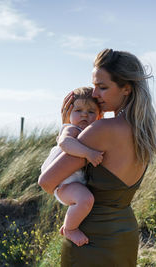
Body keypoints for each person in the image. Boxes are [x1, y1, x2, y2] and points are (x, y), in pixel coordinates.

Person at [38, 48, 156, 266]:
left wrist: (67, 126)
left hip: (90, 238)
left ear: (126, 89)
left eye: (102, 87)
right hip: (125, 234)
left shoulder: (101, 130)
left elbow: (47, 182)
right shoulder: (145, 132)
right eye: (94, 85)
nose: (94, 94)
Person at [40, 87, 104, 247]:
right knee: (85, 199)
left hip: (72, 182)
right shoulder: (71, 128)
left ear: (99, 115)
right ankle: (70, 228)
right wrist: (88, 153)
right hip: (64, 183)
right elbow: (65, 143)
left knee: (85, 199)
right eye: (78, 110)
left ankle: (71, 224)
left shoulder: (91, 131)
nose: (84, 114)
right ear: (69, 113)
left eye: (90, 111)